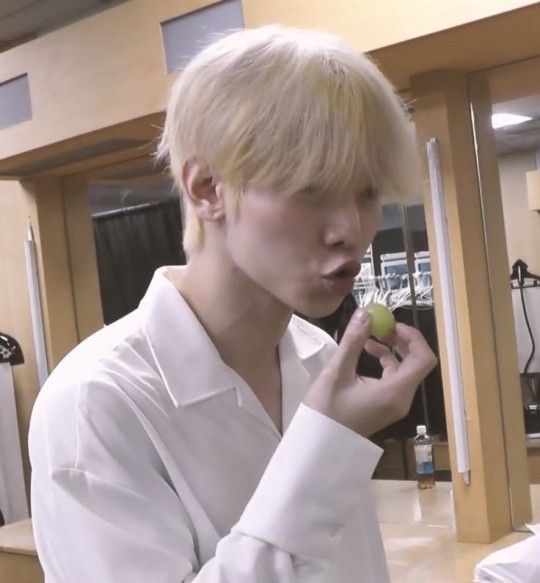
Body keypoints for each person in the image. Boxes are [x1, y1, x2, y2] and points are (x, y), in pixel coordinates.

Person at [29, 25, 437, 582]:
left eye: (367, 192)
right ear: (207, 189)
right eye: (312, 188)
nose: (350, 229)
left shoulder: (318, 357)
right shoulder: (96, 404)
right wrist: (326, 447)